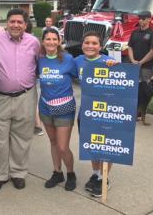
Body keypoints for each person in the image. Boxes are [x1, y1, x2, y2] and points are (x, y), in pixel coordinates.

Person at [0, 8, 40, 192]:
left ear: (25, 25)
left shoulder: (34, 42)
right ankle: (0, 175)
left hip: (26, 96)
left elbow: (42, 64)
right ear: (6, 23)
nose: (16, 25)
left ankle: (18, 172)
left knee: (22, 138)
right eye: (12, 21)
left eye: (19, 22)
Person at [75, 31, 115, 198]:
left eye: (94, 43)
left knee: (106, 146)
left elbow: (123, 83)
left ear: (101, 46)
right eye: (87, 42)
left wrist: (116, 67)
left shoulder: (108, 62)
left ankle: (104, 178)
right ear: (82, 44)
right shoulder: (77, 61)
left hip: (105, 112)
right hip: (86, 110)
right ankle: (96, 173)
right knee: (92, 145)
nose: (90, 46)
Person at [38, 28, 77, 191]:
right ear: (43, 41)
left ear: (59, 41)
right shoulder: (39, 60)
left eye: (55, 39)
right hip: (45, 107)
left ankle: (70, 173)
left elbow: (82, 73)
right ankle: (57, 172)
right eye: (48, 39)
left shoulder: (68, 59)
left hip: (64, 108)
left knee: (62, 146)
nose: (51, 42)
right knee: (53, 142)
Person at [127, 13, 153, 124]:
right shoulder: (135, 32)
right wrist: (133, 60)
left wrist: (141, 62)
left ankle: (142, 112)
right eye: (140, 19)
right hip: (133, 65)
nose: (141, 21)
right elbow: (130, 47)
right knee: (133, 89)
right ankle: (134, 112)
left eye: (143, 19)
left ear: (149, 19)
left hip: (146, 67)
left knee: (144, 90)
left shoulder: (152, 34)